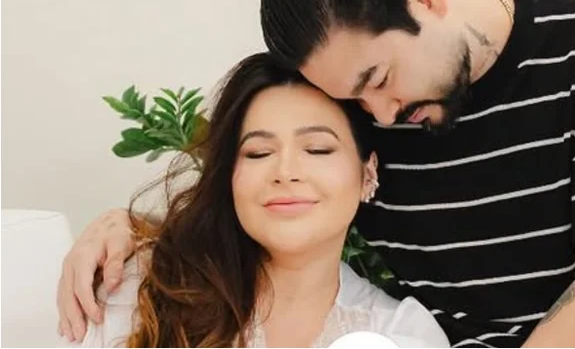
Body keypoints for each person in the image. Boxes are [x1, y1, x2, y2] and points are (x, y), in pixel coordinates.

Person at [58, 0, 575, 347]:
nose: (381, 116)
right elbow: (282, 190)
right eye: (354, 99)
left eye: (379, 78)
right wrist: (128, 228)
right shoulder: (373, 109)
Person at [58, 53, 450, 348]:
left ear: (367, 173)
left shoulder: (401, 334)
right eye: (258, 153)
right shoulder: (139, 291)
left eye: (317, 149)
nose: (286, 171)